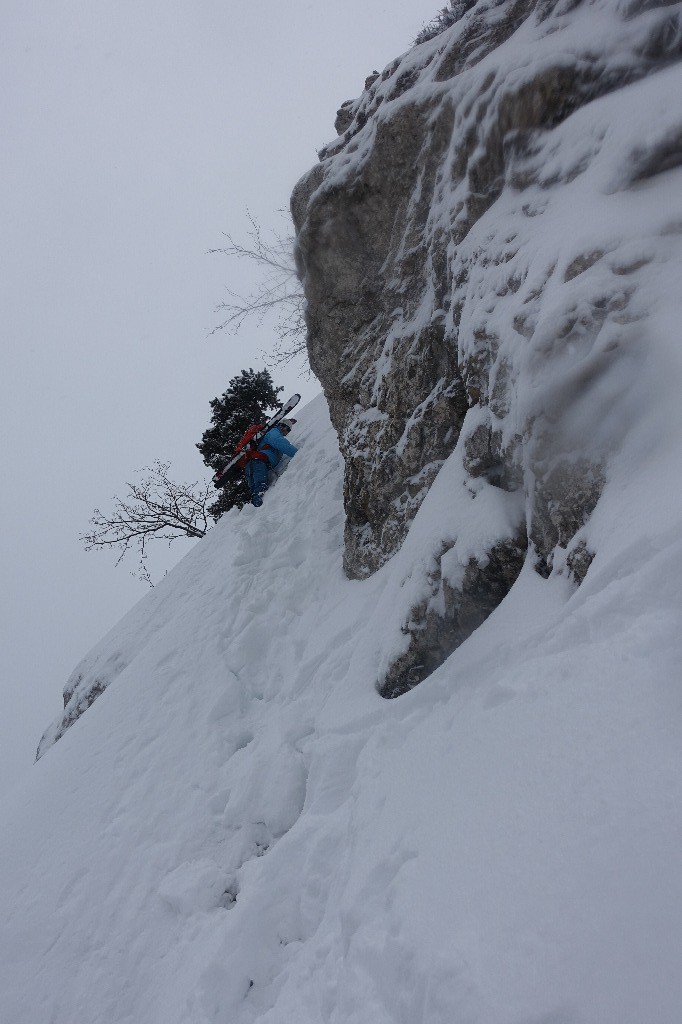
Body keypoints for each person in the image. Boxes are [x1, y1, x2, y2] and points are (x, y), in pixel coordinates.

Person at [242, 418, 298, 507]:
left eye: (289, 431)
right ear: (282, 426)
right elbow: (282, 444)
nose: (287, 433)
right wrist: (299, 453)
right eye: (287, 429)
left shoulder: (271, 433)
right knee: (261, 486)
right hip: (258, 462)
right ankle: (257, 505)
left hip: (252, 465)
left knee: (255, 491)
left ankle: (256, 511)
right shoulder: (274, 433)